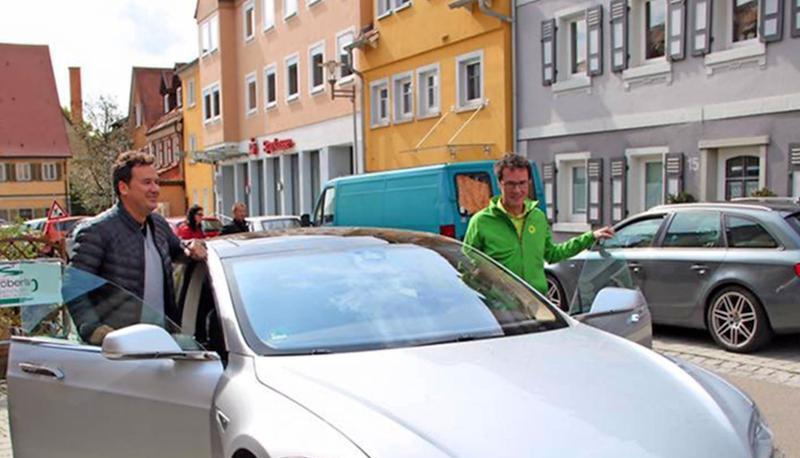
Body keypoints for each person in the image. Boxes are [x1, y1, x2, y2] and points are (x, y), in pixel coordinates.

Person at [69, 151, 206, 344]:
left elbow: (179, 250)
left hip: (164, 342)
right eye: (147, 182)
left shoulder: (158, 224)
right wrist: (93, 330)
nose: (155, 189)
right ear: (123, 187)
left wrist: (191, 247)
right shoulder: (97, 231)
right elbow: (73, 286)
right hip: (121, 350)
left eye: (157, 182)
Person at [463, 153, 615, 296]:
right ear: (499, 183)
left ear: (529, 182)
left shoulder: (537, 217)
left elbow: (553, 254)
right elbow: (465, 267)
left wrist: (590, 237)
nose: (517, 190)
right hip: (501, 310)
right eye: (510, 184)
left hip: (537, 305)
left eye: (522, 183)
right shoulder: (481, 222)